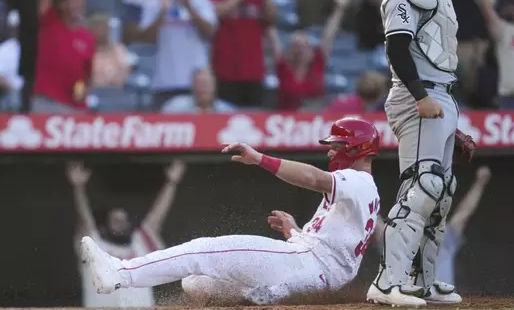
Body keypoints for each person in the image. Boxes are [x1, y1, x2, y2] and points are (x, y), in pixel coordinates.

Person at [79, 117, 381, 305]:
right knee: (196, 284)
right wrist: (294, 231)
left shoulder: (357, 181)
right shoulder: (363, 189)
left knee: (202, 252)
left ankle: (120, 273)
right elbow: (339, 248)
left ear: (356, 149)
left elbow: (313, 179)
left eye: (338, 144)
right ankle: (272, 294)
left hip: (307, 264)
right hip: (314, 271)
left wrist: (260, 158)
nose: (330, 150)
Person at [367, 0, 472, 306]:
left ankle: (424, 281)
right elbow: (397, 47)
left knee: (441, 192)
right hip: (419, 95)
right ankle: (387, 281)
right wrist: (420, 97)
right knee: (421, 187)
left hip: (440, 94)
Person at [67, 160, 186, 307]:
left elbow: (156, 219)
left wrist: (171, 183)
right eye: (116, 220)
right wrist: (78, 188)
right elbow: (84, 220)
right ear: (105, 226)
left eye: (123, 220)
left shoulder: (140, 245)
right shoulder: (94, 246)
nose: (121, 223)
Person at [434, 166, 492, 285]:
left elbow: (464, 213)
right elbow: (383, 229)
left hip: (445, 299)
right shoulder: (405, 236)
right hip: (417, 300)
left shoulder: (441, 237)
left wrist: (479, 184)